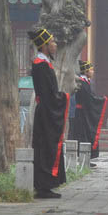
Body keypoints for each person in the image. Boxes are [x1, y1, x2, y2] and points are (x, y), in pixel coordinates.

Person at [28, 28, 69, 197]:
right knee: (45, 146)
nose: (55, 45)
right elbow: (48, 94)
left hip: (46, 110)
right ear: (44, 45)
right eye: (52, 42)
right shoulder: (41, 65)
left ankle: (46, 185)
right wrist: (64, 97)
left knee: (46, 146)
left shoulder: (43, 63)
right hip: (46, 112)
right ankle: (43, 186)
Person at [71, 60, 107, 166]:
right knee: (83, 136)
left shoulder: (86, 82)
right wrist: (101, 100)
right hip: (81, 114)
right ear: (86, 71)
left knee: (86, 135)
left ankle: (86, 159)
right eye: (91, 70)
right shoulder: (82, 83)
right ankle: (83, 159)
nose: (93, 72)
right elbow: (88, 99)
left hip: (84, 112)